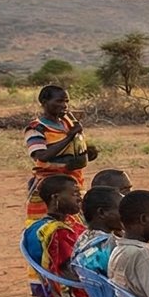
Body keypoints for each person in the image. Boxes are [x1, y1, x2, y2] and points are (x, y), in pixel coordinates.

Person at [23, 175, 88, 297]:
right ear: (55, 197)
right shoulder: (57, 233)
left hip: (59, 292)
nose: (79, 199)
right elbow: (72, 272)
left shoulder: (40, 226)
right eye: (74, 194)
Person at [25, 84, 97, 221]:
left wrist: (87, 151)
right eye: (59, 101)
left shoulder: (68, 123)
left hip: (74, 183)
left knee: (74, 226)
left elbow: (75, 152)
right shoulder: (36, 128)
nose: (64, 105)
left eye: (66, 101)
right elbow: (41, 156)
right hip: (50, 187)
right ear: (44, 102)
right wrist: (70, 136)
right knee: (46, 227)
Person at [68, 186, 124, 297]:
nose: (127, 215)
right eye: (122, 210)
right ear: (102, 213)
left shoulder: (85, 237)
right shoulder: (109, 246)